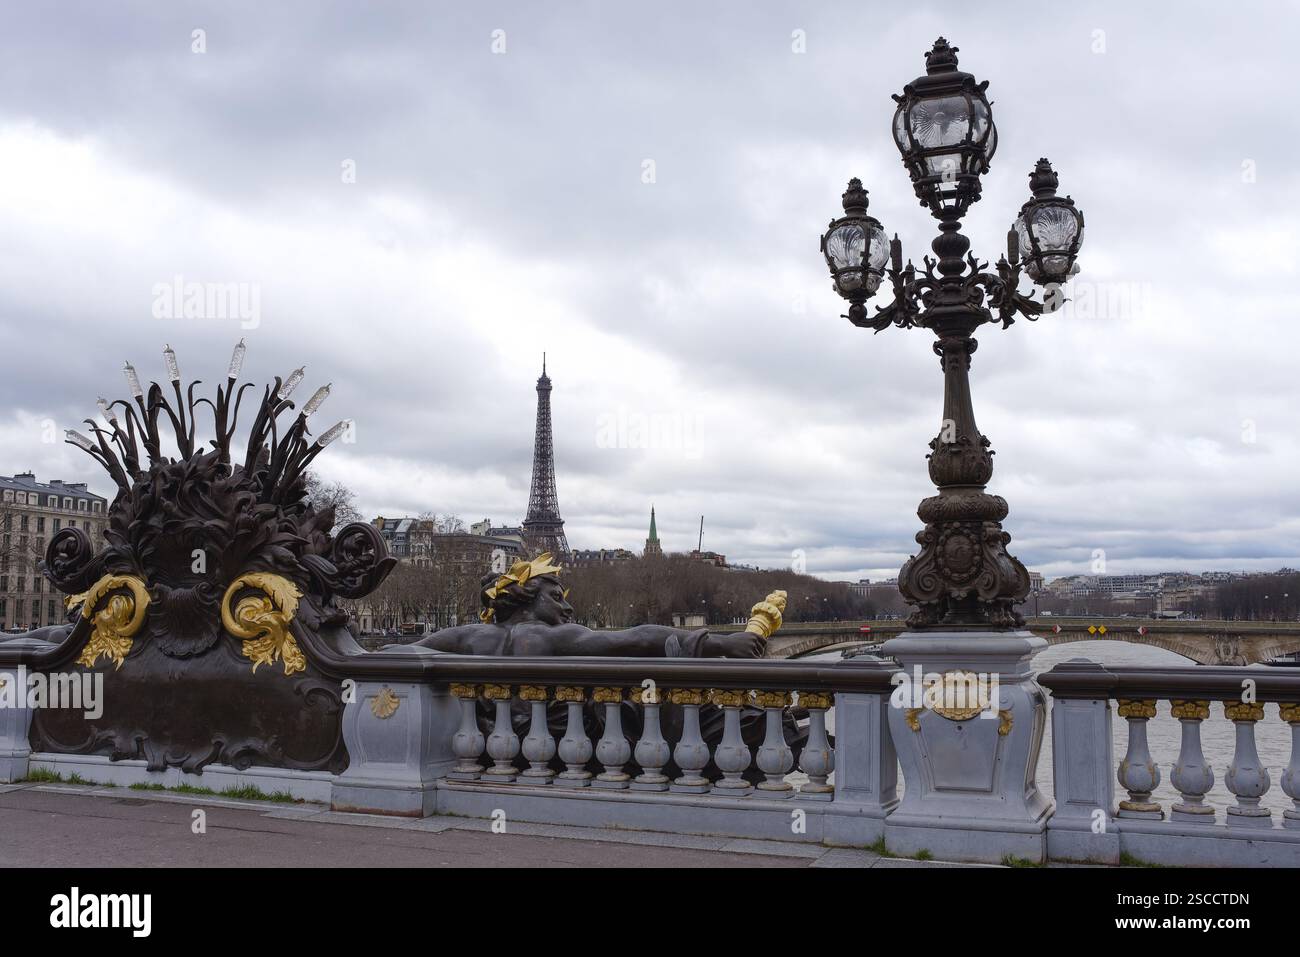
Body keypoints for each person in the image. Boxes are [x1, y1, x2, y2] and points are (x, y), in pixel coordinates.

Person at [416, 554, 768, 658]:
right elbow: (639, 638)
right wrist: (723, 643)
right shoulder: (550, 637)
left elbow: (401, 653)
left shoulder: (468, 636)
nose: (567, 608)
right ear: (527, 596)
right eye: (557, 597)